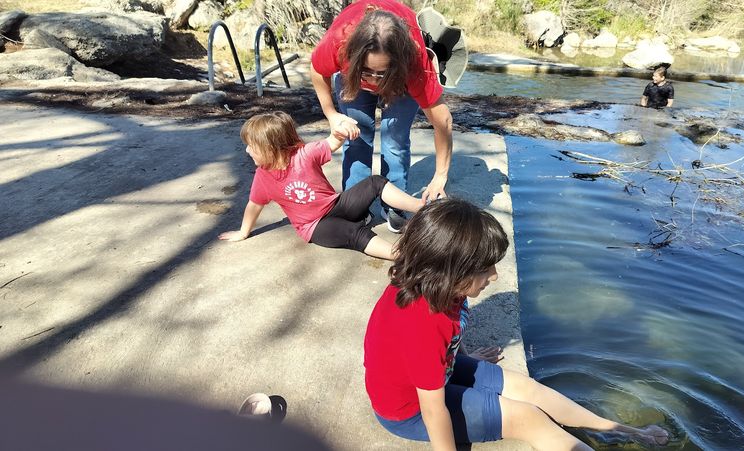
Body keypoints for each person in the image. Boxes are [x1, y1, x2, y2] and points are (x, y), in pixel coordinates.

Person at [363, 198, 670, 450]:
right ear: (452, 271)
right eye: (486, 269)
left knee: (527, 388)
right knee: (528, 418)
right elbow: (433, 411)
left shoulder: (442, 286)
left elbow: (451, 332)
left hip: (439, 374)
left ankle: (618, 429)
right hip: (409, 410)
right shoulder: (423, 323)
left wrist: (461, 358)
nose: (494, 276)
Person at [310, 0, 453, 233]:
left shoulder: (415, 61)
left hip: (401, 81)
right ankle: (355, 204)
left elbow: (443, 121)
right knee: (356, 138)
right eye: (368, 71)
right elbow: (317, 70)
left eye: (381, 73)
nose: (374, 81)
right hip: (351, 77)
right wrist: (332, 114)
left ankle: (394, 205)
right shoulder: (340, 41)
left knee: (394, 140)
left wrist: (440, 175)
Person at [218, 112, 423, 260]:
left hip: (337, 206)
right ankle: (404, 257)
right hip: (316, 227)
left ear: (271, 148)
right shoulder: (263, 177)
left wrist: (342, 131)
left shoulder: (304, 154)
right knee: (355, 233)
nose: (246, 150)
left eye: (251, 146)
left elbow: (332, 141)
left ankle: (424, 207)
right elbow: (254, 205)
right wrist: (243, 232)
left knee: (375, 182)